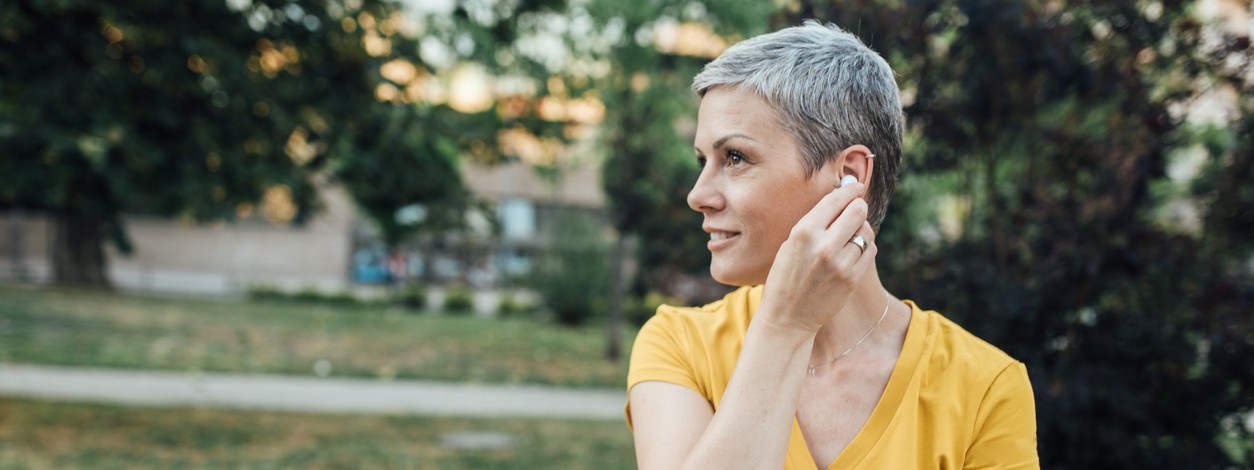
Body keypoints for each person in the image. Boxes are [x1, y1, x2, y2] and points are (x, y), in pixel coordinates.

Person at [626, 21, 1039, 469]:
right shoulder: (679, 345)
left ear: (850, 177)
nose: (698, 194)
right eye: (704, 161)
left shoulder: (986, 387)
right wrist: (785, 329)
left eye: (736, 158)